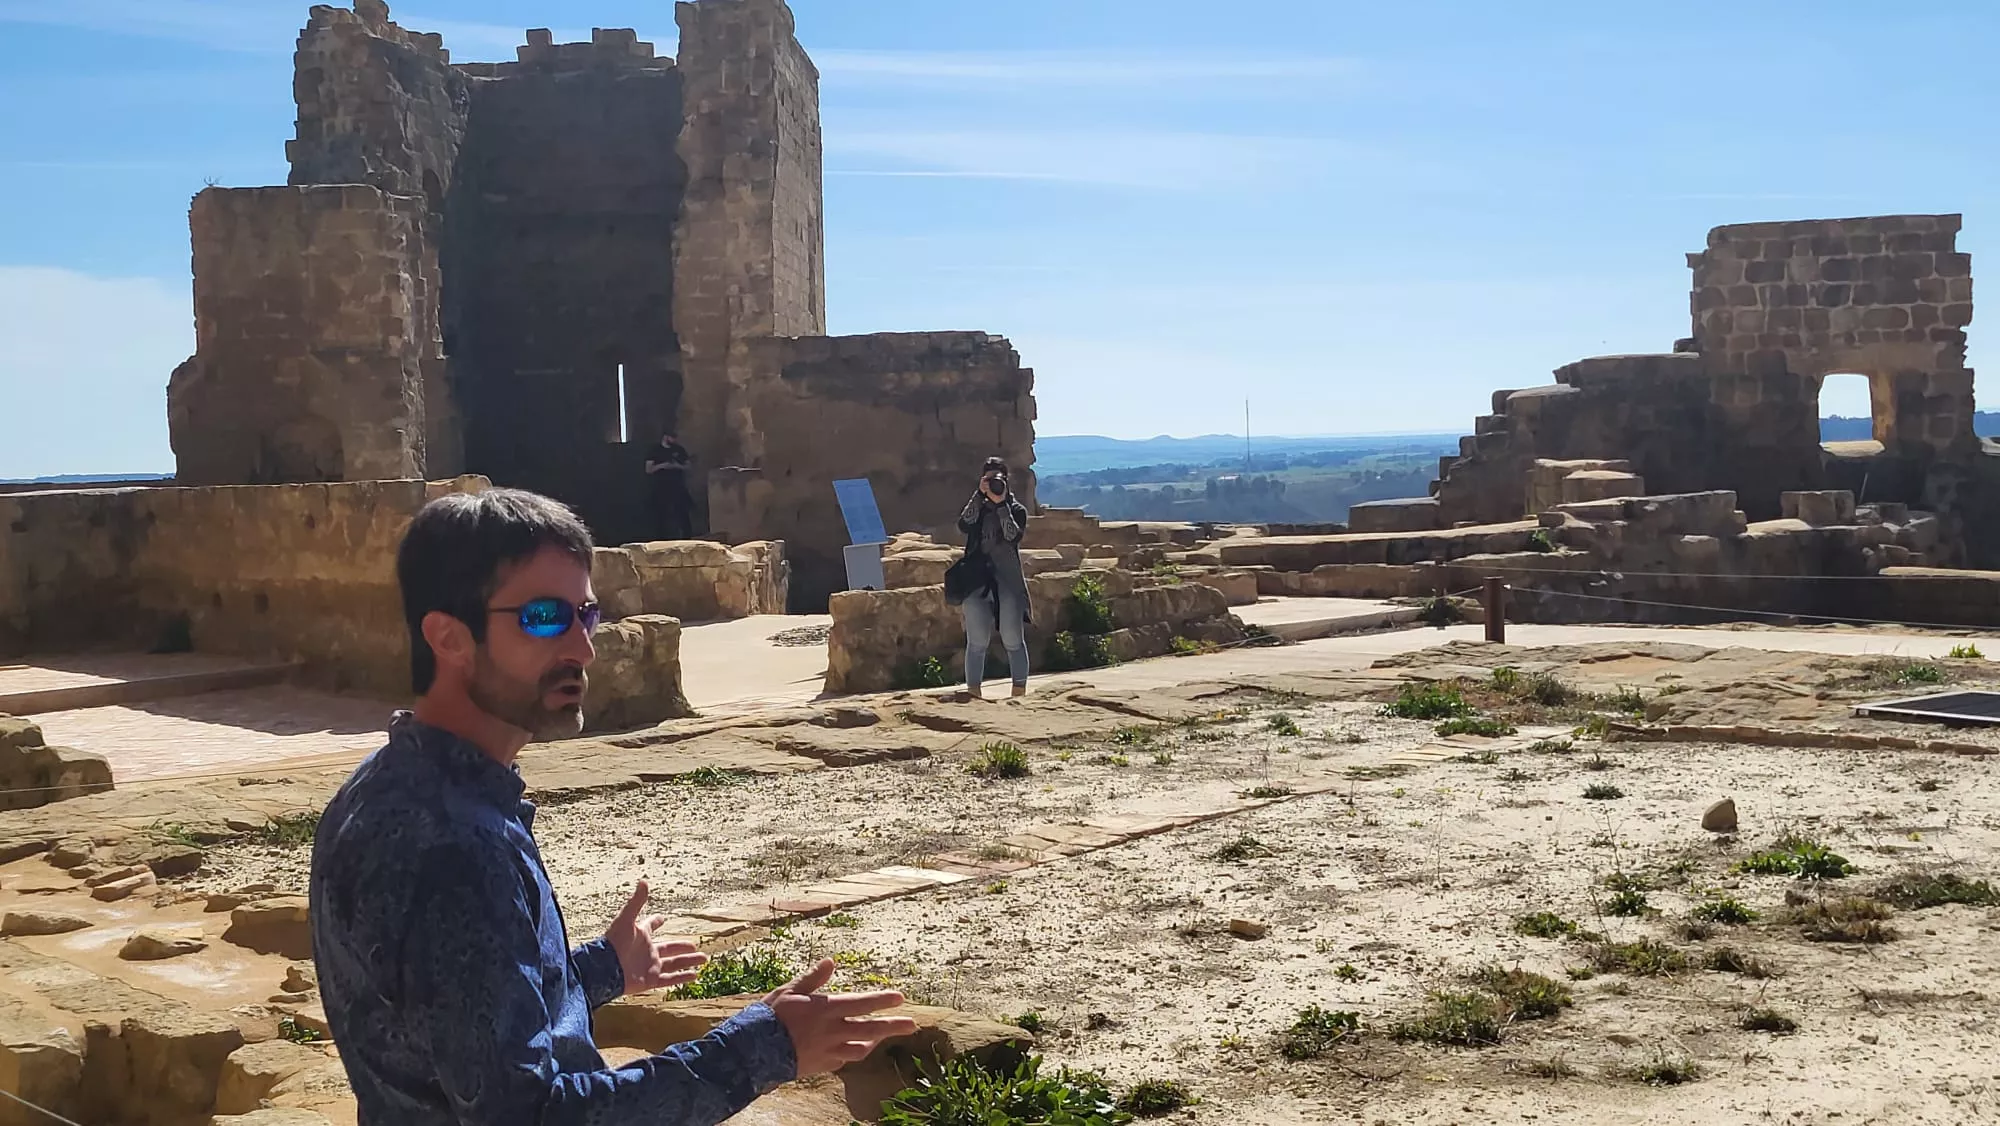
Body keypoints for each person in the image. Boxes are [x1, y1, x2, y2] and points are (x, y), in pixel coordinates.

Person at [309, 488, 917, 1125]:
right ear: (449, 637)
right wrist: (765, 1047)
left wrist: (600, 969)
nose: (583, 647)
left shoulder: (382, 787)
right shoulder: (453, 846)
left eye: (586, 614)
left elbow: (454, 1011)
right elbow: (530, 1116)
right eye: (544, 616)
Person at [956, 456, 1032, 699]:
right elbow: (964, 524)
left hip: (1006, 580)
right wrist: (979, 496)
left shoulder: (1017, 510)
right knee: (976, 641)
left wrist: (1001, 506)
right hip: (976, 580)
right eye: (989, 479)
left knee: (1012, 638)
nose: (994, 483)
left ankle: (1018, 694)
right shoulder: (977, 507)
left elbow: (1012, 536)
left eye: (997, 478)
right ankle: (973, 695)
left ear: (1007, 481)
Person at [644, 431, 694, 540]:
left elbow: (688, 466)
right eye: (672, 438)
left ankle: (687, 538)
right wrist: (663, 466)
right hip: (661, 488)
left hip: (678, 487)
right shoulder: (655, 450)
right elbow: (648, 469)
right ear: (665, 437)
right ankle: (661, 540)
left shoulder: (679, 449)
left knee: (683, 514)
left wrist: (676, 466)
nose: (674, 440)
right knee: (661, 516)